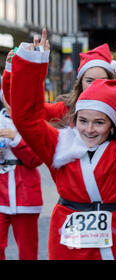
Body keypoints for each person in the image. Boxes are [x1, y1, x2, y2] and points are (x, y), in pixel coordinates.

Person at [10, 31, 116, 260]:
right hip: (67, 241)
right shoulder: (58, 146)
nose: (89, 129)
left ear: (112, 125)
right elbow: (26, 118)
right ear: (75, 118)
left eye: (99, 123)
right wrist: (31, 66)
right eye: (82, 121)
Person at [0, 76, 43, 260]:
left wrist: (16, 139)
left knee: (27, 249)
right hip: (1, 190)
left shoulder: (33, 123)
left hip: (26, 191)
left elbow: (36, 159)